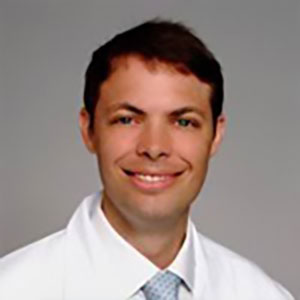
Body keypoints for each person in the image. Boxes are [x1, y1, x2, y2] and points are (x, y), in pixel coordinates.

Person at [0, 19, 294, 300]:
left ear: (216, 135)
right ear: (88, 130)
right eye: (127, 119)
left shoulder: (263, 295)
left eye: (183, 122)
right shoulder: (12, 289)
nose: (154, 147)